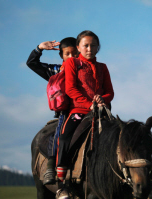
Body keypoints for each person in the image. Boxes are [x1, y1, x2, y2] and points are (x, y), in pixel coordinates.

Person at [56, 30, 114, 198]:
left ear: (98, 48)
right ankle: (62, 181)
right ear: (78, 47)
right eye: (86, 45)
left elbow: (110, 92)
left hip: (101, 112)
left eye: (93, 45)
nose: (89, 48)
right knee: (66, 136)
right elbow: (71, 89)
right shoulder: (72, 63)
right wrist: (89, 104)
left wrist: (102, 99)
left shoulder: (103, 67)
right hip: (79, 110)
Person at [26, 37, 78, 185]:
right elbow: (31, 63)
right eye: (67, 54)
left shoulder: (86, 70)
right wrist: (39, 48)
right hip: (66, 113)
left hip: (86, 110)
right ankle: (50, 166)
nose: (72, 57)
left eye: (75, 53)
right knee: (59, 132)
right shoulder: (55, 71)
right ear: (61, 56)